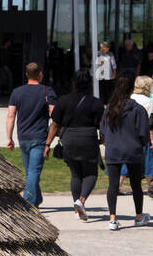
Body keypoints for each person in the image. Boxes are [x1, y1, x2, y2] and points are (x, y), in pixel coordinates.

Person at [45, 70, 104, 222]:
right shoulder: (96, 102)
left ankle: (77, 210)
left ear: (73, 83)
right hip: (88, 138)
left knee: (75, 173)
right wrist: (103, 139)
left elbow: (55, 124)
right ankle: (81, 201)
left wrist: (47, 145)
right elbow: (101, 125)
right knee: (91, 173)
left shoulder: (63, 100)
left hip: (69, 139)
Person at [98, 76, 152, 230]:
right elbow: (143, 133)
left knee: (113, 185)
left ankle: (113, 219)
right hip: (133, 149)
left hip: (113, 149)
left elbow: (103, 131)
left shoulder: (109, 109)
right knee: (136, 185)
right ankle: (139, 216)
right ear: (131, 90)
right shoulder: (138, 109)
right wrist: (141, 144)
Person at [6, 62, 57, 209]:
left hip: (23, 136)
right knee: (33, 172)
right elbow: (54, 115)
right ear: (40, 74)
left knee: (30, 172)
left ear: (26, 74)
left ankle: (35, 198)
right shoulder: (48, 91)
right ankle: (29, 202)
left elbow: (11, 115)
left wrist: (9, 137)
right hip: (40, 136)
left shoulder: (17, 92)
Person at [134, 75, 153, 185]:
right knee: (149, 162)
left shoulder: (130, 98)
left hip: (130, 134)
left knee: (125, 165)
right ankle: (151, 185)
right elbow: (150, 120)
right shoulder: (148, 101)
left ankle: (118, 185)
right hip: (144, 134)